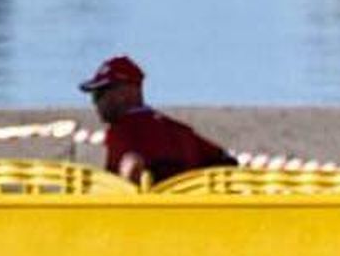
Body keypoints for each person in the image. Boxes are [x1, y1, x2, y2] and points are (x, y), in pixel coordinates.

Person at [80, 54, 236, 187]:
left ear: (124, 93)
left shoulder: (123, 129)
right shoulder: (179, 131)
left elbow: (131, 163)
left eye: (99, 95)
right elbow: (226, 162)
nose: (96, 103)